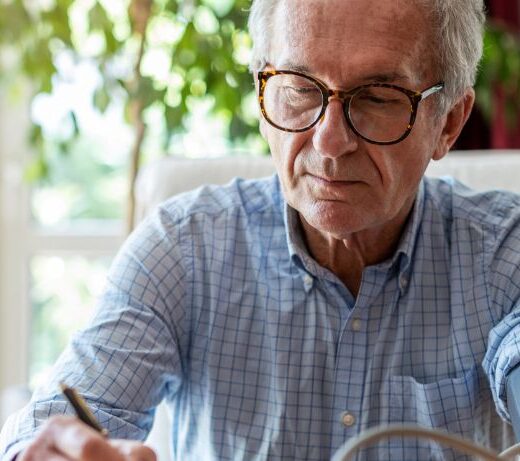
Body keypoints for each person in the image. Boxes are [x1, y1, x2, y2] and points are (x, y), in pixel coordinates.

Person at [2, 0, 518, 459]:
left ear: (449, 121)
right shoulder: (185, 249)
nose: (330, 142)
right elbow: (59, 421)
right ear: (261, 94)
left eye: (378, 97)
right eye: (299, 89)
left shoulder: (502, 251)